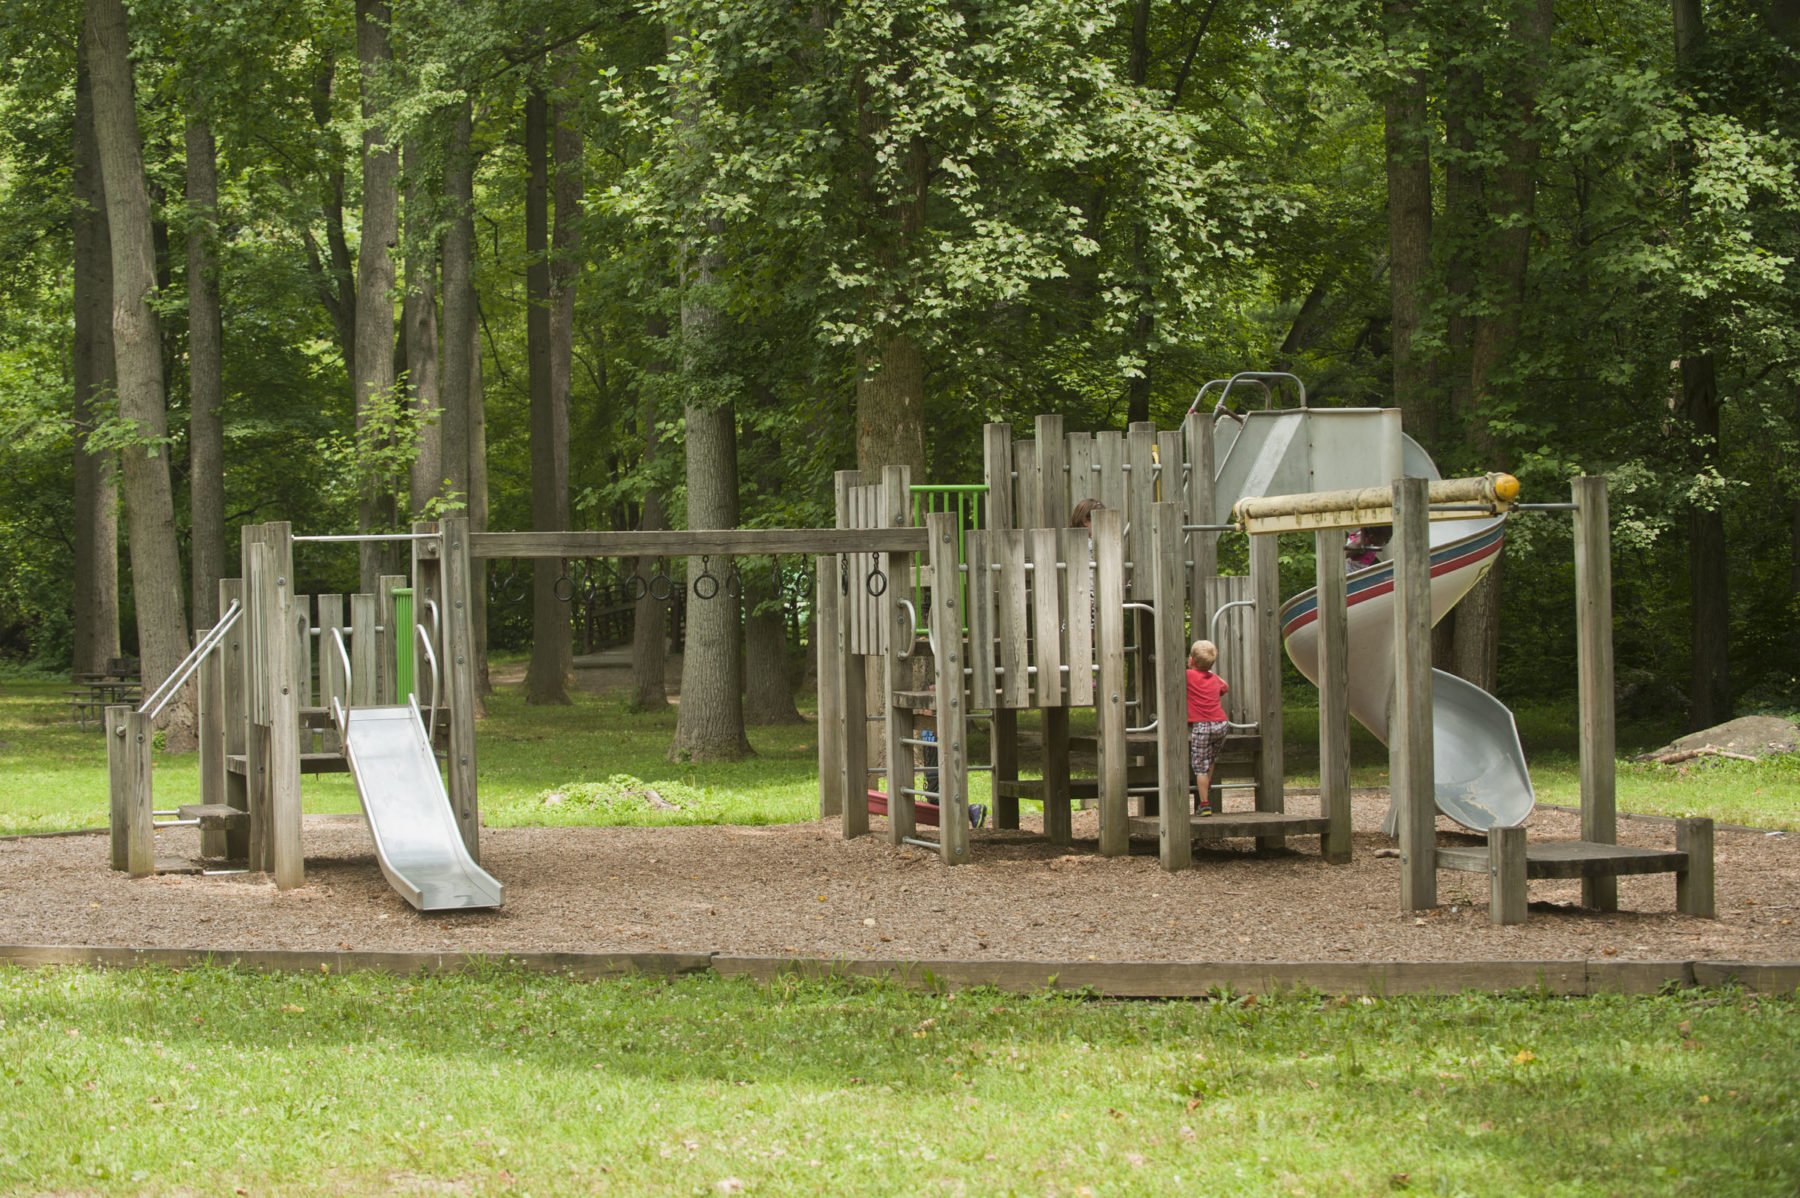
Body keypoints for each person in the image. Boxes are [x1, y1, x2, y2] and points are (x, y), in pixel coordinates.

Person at [918, 689, 985, 829]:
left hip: (937, 757)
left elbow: (941, 733)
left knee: (936, 796)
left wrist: (931, 714)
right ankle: (969, 811)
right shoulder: (928, 718)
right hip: (931, 756)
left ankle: (972, 809)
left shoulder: (939, 719)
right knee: (933, 796)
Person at [1186, 640, 1230, 815]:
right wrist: (1211, 672)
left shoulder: (1188, 675)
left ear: (1191, 661)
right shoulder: (1213, 678)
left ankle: (1204, 804)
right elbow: (1224, 686)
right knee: (1210, 759)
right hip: (1221, 724)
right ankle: (1206, 787)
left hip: (1203, 726)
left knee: (1200, 766)